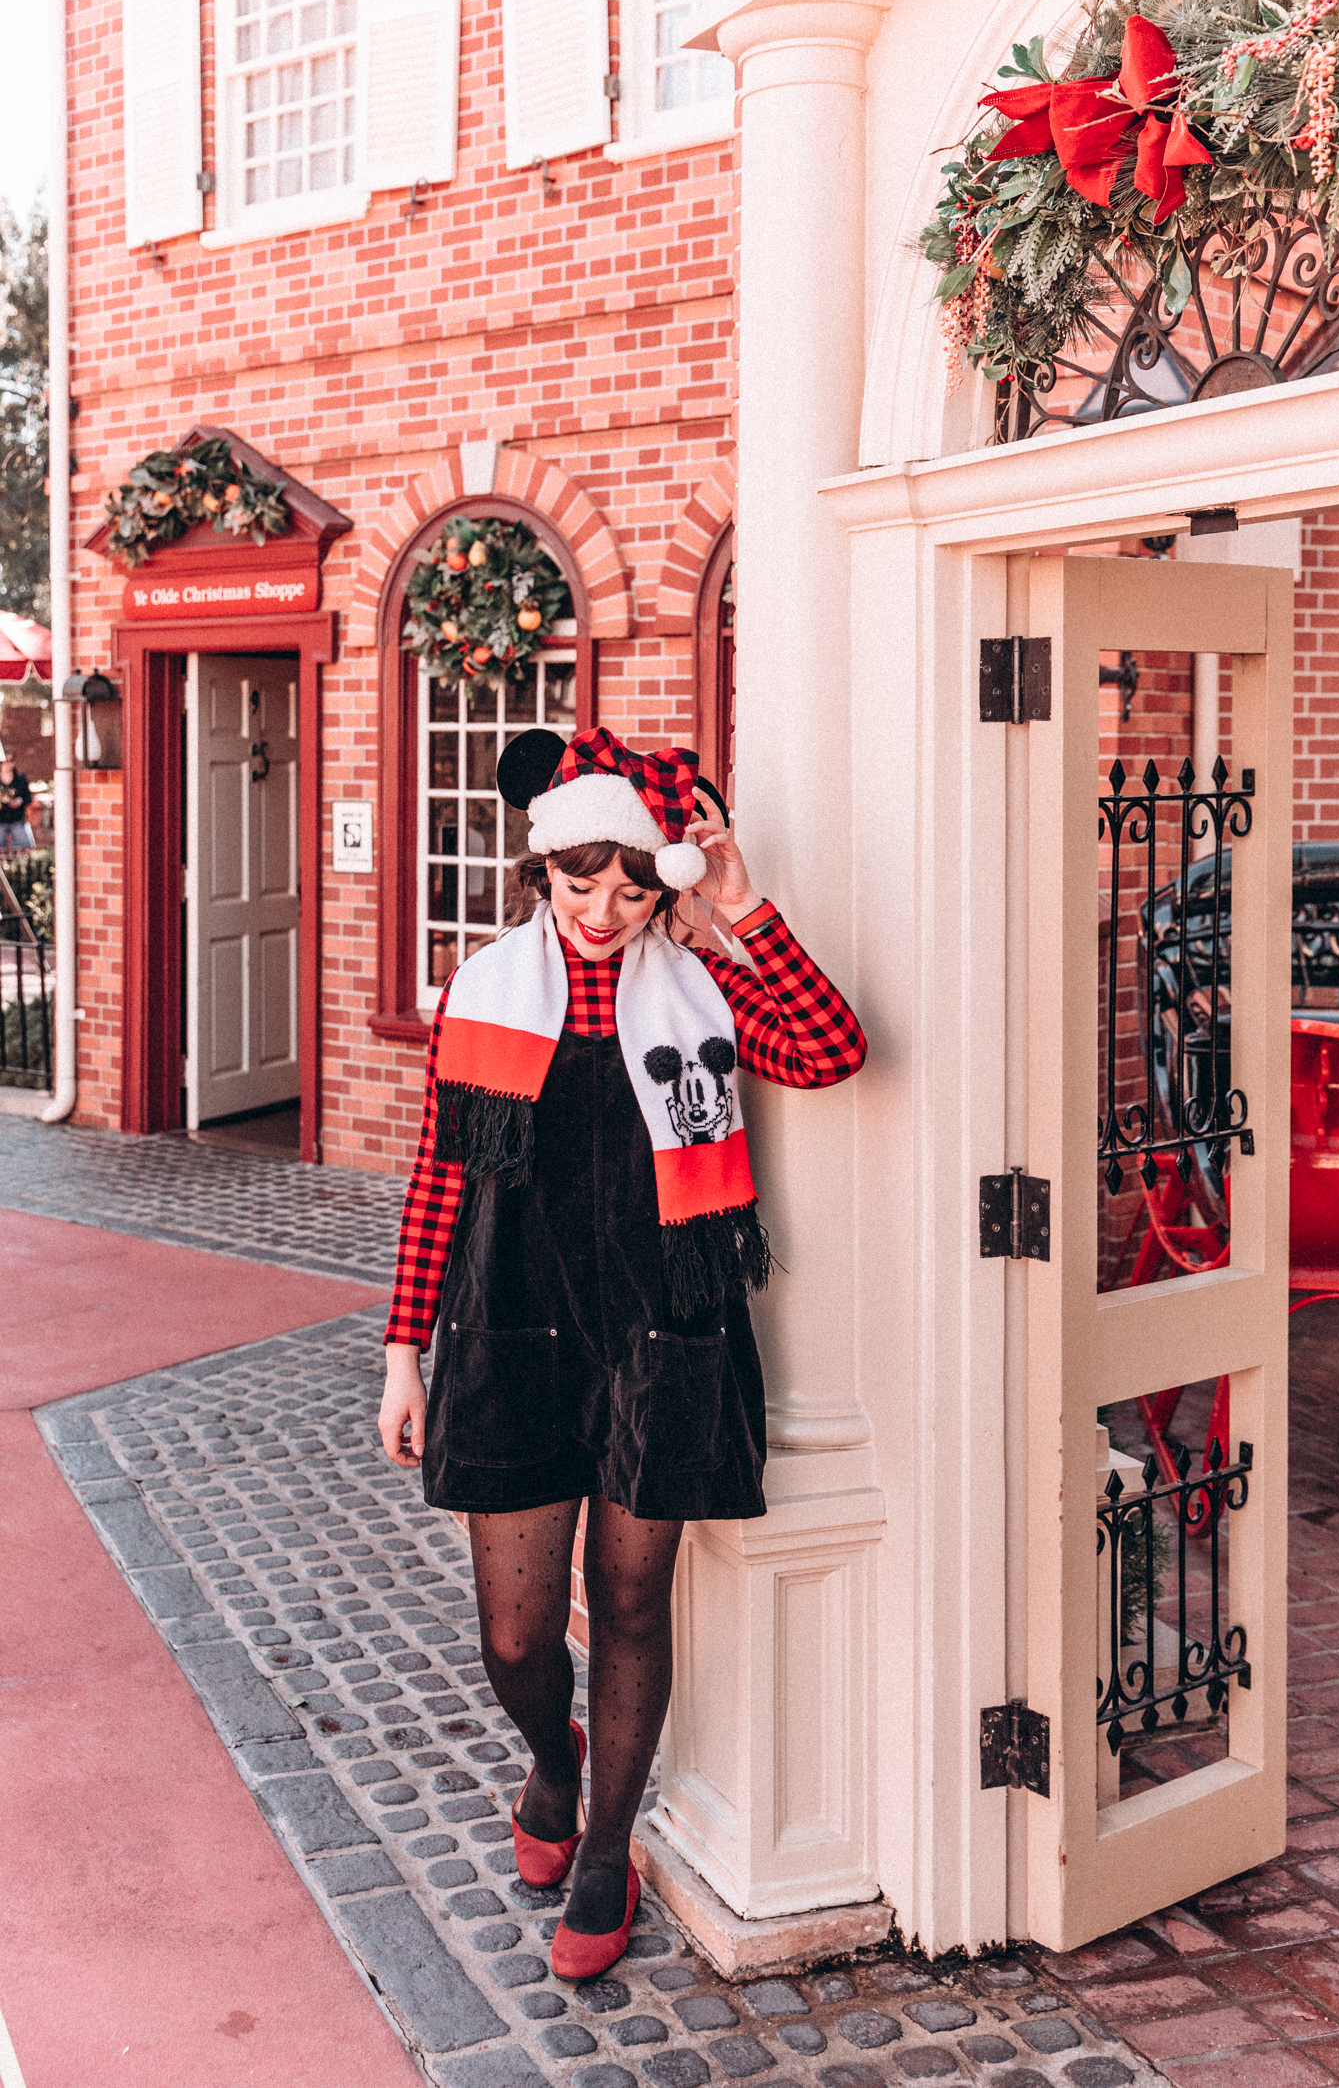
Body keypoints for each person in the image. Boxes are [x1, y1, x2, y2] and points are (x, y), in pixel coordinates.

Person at [377, 726, 866, 1979]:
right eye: (580, 883)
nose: (605, 912)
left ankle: (606, 1851)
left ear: (664, 883)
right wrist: (401, 1353)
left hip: (663, 1328)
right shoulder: (481, 989)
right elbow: (441, 1179)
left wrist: (738, 900)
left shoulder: (706, 984)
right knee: (517, 1636)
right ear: (539, 872)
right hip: (513, 1328)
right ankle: (553, 1757)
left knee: (634, 1601)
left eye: (633, 886)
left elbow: (833, 1050)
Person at [0, 754, 34, 852]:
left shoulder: (19, 778)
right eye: (4, 761)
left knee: (25, 849)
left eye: (10, 761)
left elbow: (28, 797)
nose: (7, 764)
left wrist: (20, 801)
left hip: (17, 819)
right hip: (0, 820)